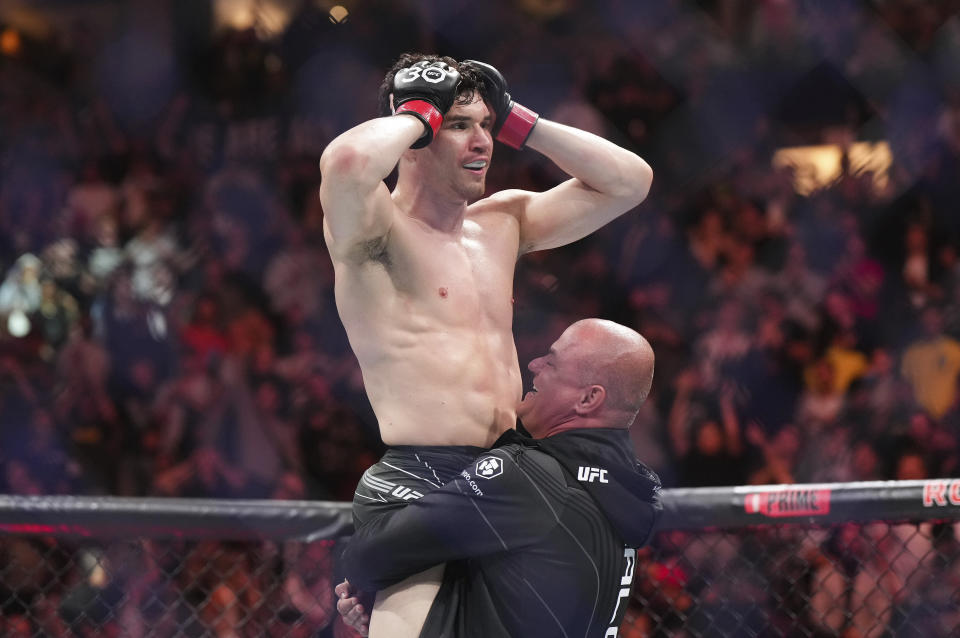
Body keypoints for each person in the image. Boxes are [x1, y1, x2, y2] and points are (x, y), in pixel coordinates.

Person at [319, 54, 653, 636]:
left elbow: (629, 182)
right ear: (414, 131)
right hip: (421, 477)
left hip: (511, 475)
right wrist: (422, 112)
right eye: (458, 125)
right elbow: (347, 162)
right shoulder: (376, 232)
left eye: (485, 125)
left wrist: (519, 120)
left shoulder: (501, 223)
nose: (482, 143)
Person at [336, 319, 662, 637]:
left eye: (551, 362)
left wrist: (375, 590)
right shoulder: (624, 492)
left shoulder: (532, 479)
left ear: (589, 399)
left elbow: (371, 555)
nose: (534, 364)